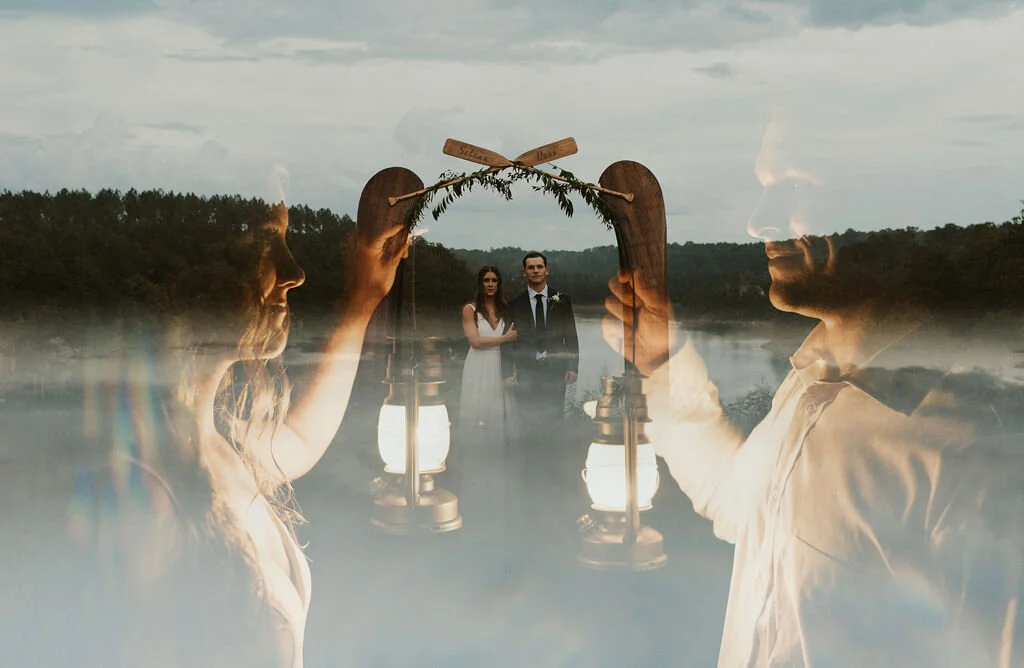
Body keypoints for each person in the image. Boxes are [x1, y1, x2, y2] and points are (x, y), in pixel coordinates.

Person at [602, 174, 1024, 663]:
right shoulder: (809, 385)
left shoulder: (975, 454)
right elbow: (742, 505)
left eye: (797, 185)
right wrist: (661, 362)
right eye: (762, 186)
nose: (757, 221)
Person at [57, 200, 409, 668]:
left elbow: (301, 439)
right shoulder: (139, 497)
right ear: (184, 268)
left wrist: (362, 300)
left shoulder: (218, 438)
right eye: (264, 243)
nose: (295, 271)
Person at [502, 251, 579, 429]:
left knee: (554, 420)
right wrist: (506, 373)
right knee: (526, 420)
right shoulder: (514, 305)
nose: (535, 271)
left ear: (547, 270)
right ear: (524, 272)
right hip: (525, 371)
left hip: (556, 370)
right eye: (531, 267)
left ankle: (553, 456)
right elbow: (507, 342)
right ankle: (528, 456)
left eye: (539, 267)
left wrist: (572, 367)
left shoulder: (562, 300)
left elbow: (571, 337)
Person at [457, 266, 518, 443]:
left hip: (499, 363)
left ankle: (496, 453)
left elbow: (513, 345)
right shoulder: (469, 309)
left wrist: (513, 370)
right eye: (486, 280)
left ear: (499, 284)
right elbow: (475, 342)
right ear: (480, 283)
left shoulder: (505, 309)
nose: (490, 284)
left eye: (494, 280)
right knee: (476, 406)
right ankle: (473, 452)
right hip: (477, 362)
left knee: (499, 409)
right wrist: (505, 338)